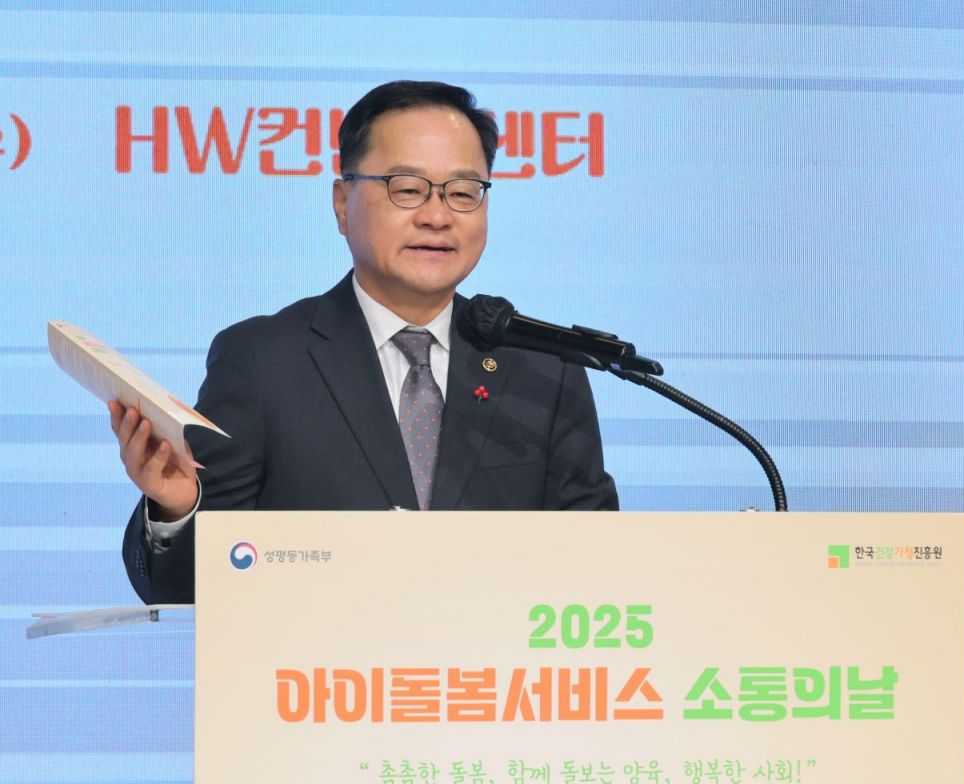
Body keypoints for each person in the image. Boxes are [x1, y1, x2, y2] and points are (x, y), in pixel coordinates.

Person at [112, 80, 618, 604]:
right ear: (341, 202)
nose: (437, 215)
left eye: (463, 192)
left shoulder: (542, 368)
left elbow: (598, 566)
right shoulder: (264, 361)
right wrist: (178, 510)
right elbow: (186, 592)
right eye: (407, 188)